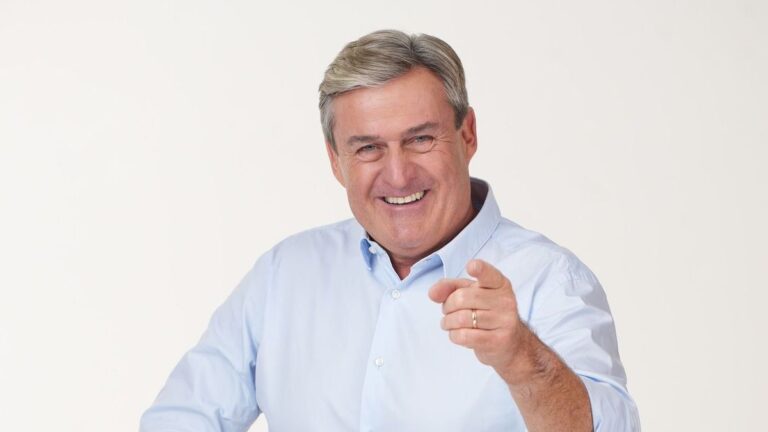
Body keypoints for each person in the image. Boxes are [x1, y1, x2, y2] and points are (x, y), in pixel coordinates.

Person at [140, 29, 640, 431]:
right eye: (368, 148)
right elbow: (181, 418)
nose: (398, 175)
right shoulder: (283, 275)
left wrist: (523, 359)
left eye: (420, 139)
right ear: (336, 161)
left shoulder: (550, 280)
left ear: (467, 135)